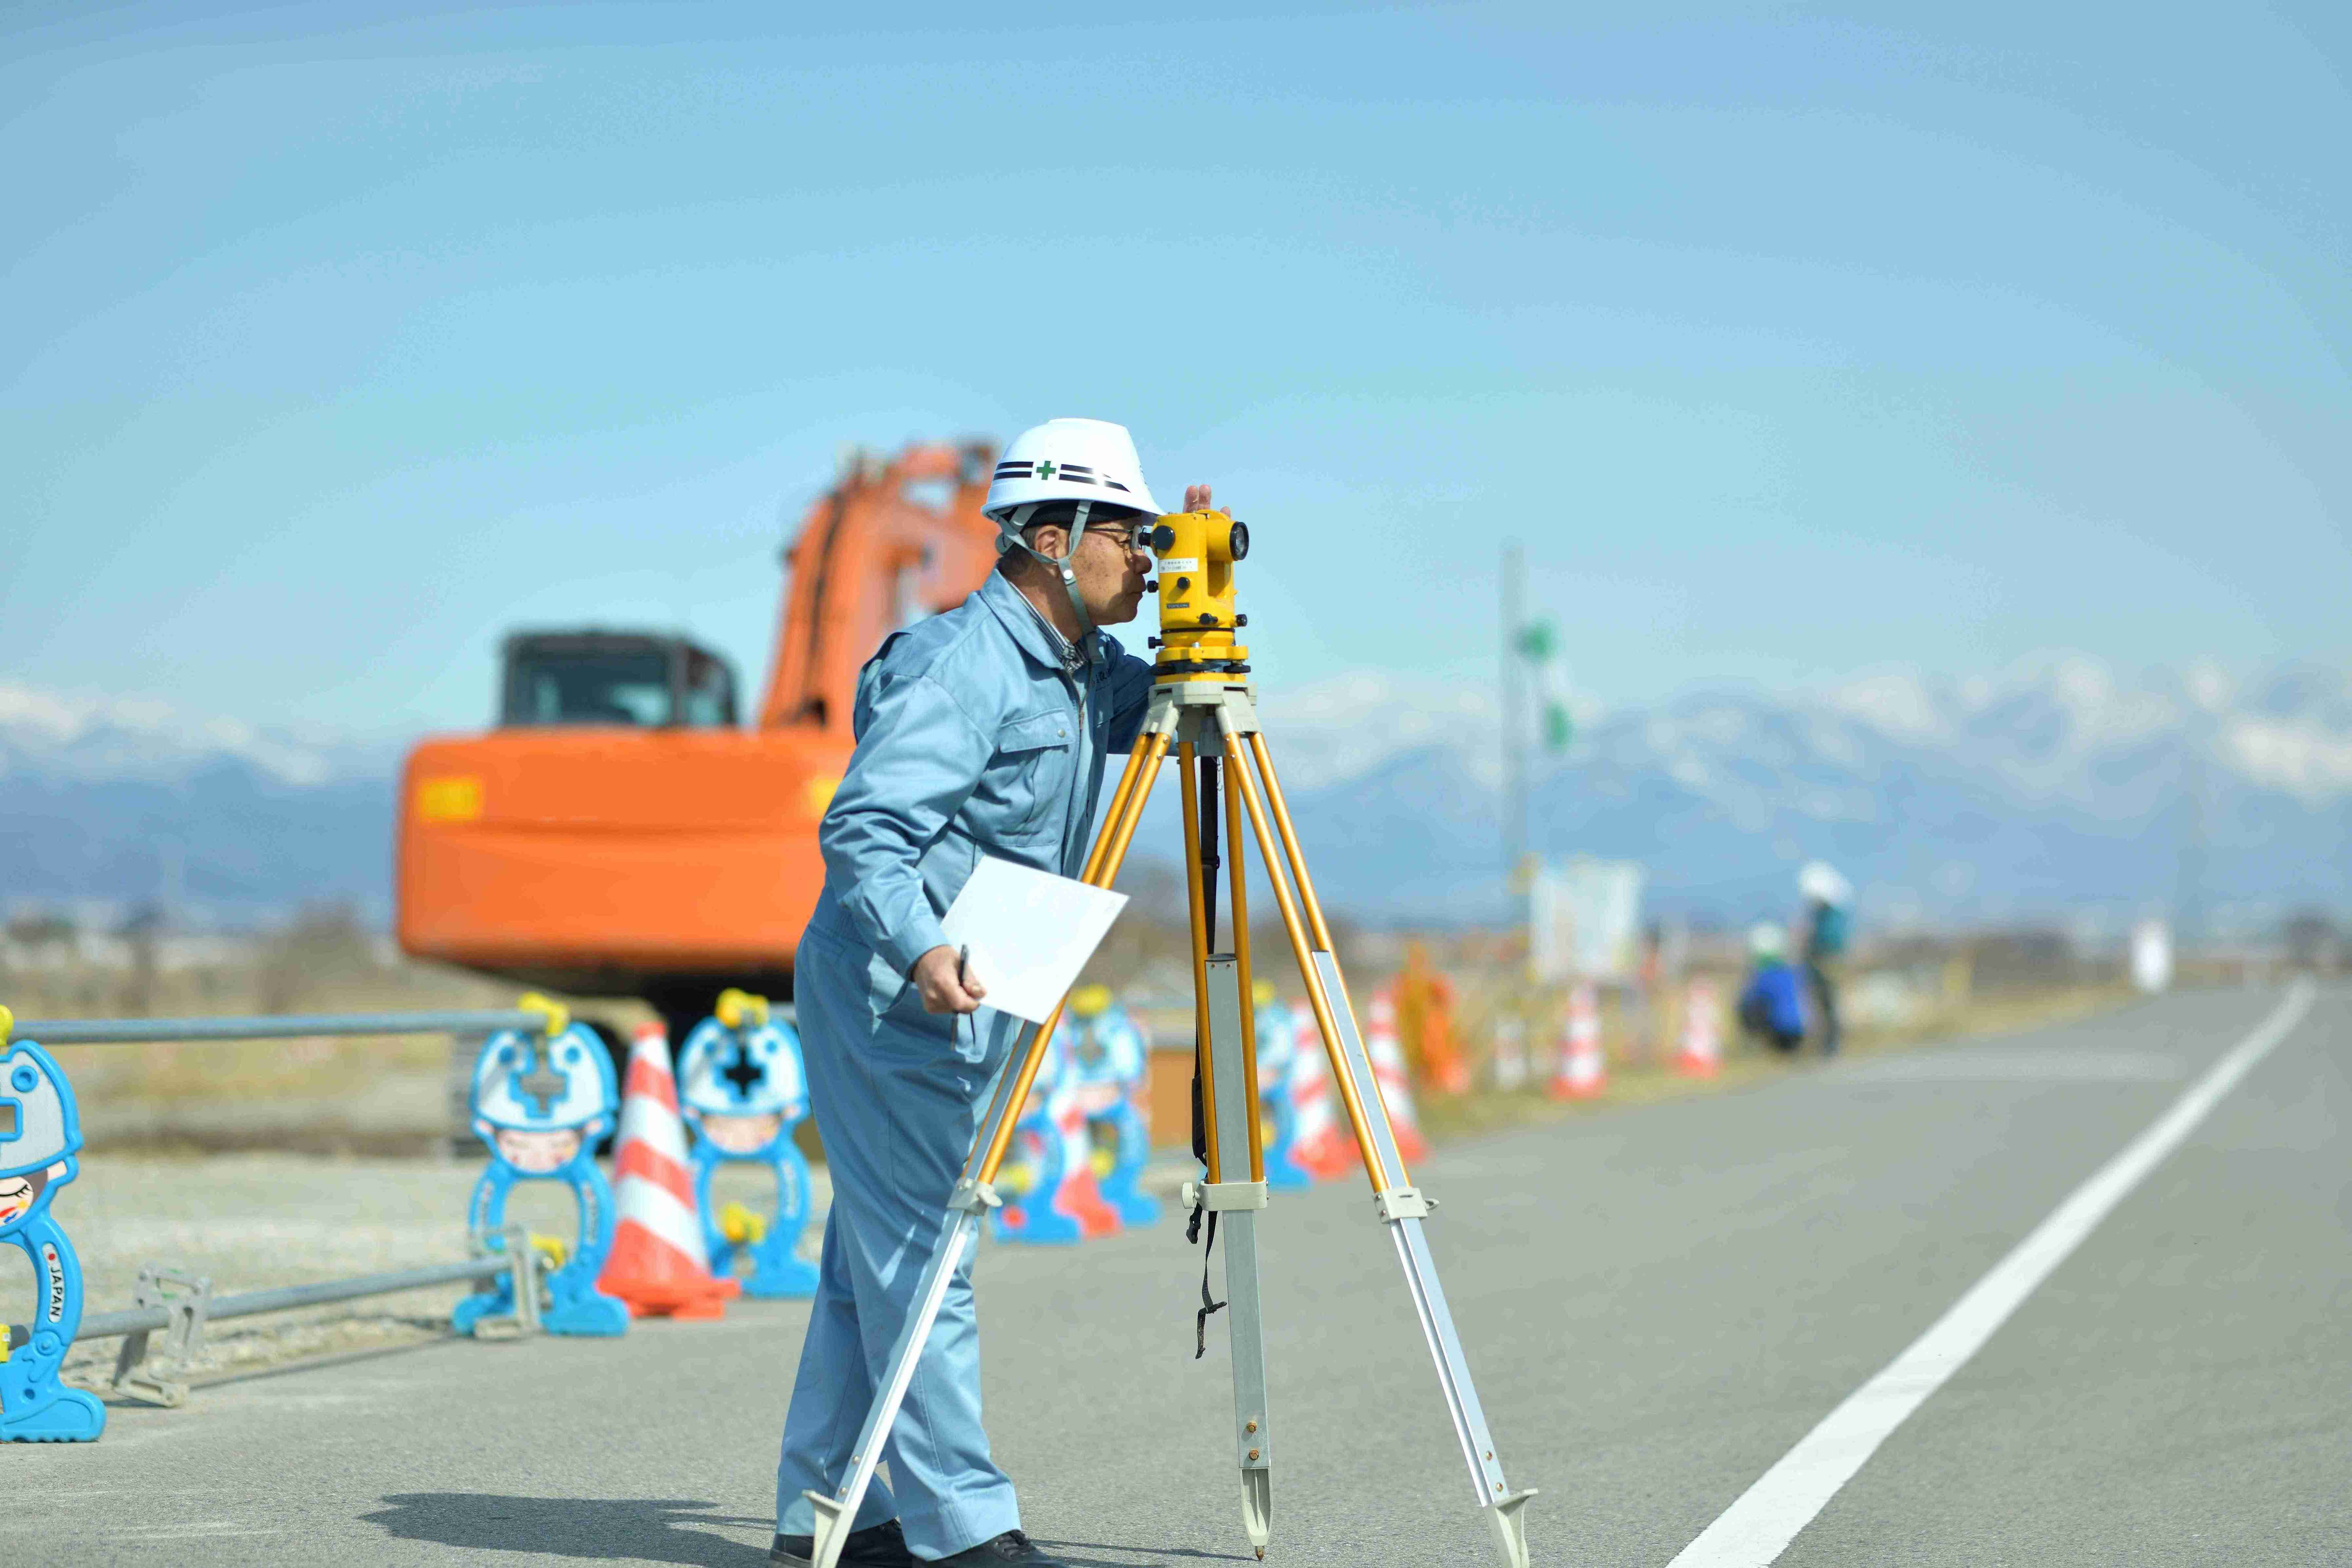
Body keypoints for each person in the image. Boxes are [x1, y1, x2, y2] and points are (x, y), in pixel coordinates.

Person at [772, 419, 1211, 1568]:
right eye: (1132, 533)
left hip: (974, 990)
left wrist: (1204, 618)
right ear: (1051, 537)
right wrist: (921, 949)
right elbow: (867, 828)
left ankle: (833, 1511)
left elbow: (1158, 713)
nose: (1147, 553)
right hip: (898, 989)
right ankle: (963, 1530)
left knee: (874, 1254)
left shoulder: (1075, 668)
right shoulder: (965, 663)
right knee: (926, 1252)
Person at [1797, 862, 1853, 1056]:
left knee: (1828, 1002)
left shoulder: (1830, 917)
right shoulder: (1832, 914)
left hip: (1826, 961)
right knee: (1825, 1003)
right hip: (1825, 961)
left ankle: (1830, 1045)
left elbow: (1825, 941)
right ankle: (1828, 1044)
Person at [1737, 922, 1807, 1054]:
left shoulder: (1765, 976)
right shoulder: (1793, 972)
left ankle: (1755, 1044)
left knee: (1748, 1005)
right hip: (1801, 1031)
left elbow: (1750, 999)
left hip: (1780, 1033)